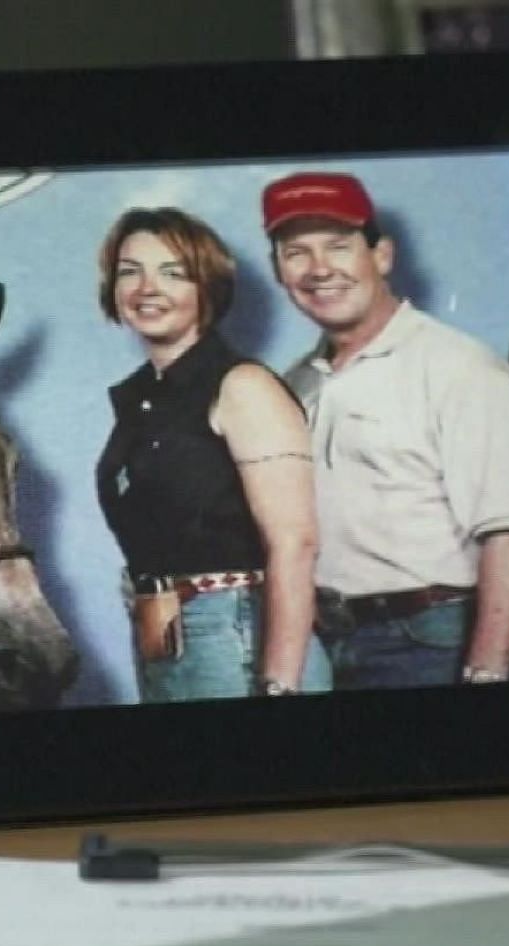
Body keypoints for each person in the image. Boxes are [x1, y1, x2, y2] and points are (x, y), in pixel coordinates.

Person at [265, 172, 509, 690]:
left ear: (382, 256)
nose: (319, 269)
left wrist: (486, 675)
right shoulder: (294, 383)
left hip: (429, 642)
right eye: (295, 252)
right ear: (278, 271)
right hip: (327, 646)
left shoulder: (459, 367)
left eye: (338, 246)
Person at [94, 207, 329, 702]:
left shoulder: (243, 386)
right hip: (163, 636)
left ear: (207, 287)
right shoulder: (141, 400)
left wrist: (280, 685)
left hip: (236, 634)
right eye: (129, 271)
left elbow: (295, 543)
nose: (146, 287)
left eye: (173, 272)